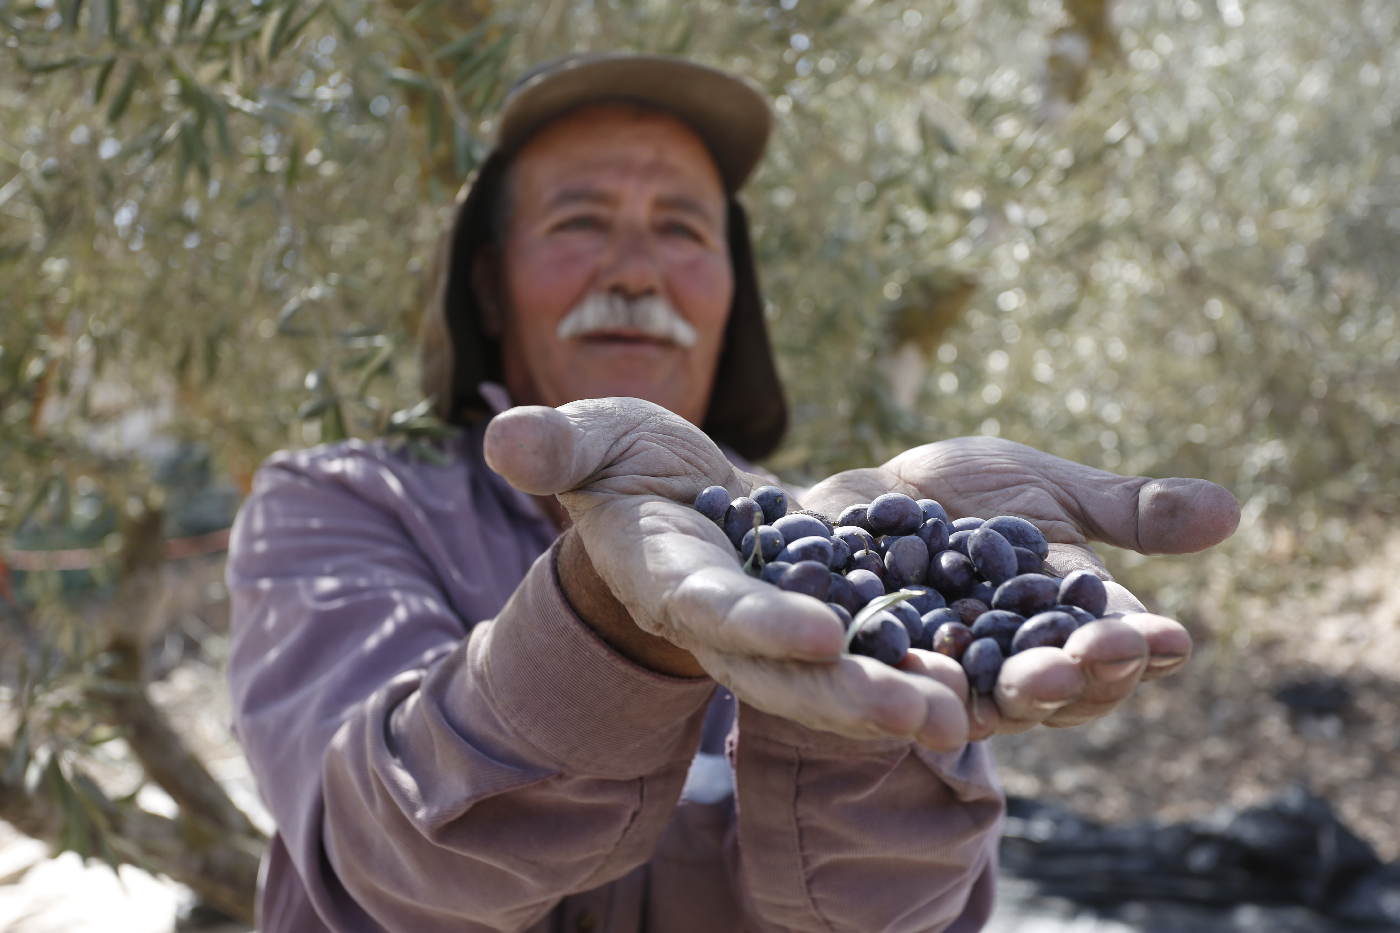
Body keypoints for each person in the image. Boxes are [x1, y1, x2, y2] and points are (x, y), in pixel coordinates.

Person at [226, 53, 1240, 933]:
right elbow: (384, 868)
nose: (635, 270)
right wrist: (605, 624)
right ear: (487, 286)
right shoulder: (336, 506)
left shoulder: (819, 541)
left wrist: (844, 708)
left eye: (682, 231)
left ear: (731, 296)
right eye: (579, 221)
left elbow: (893, 918)